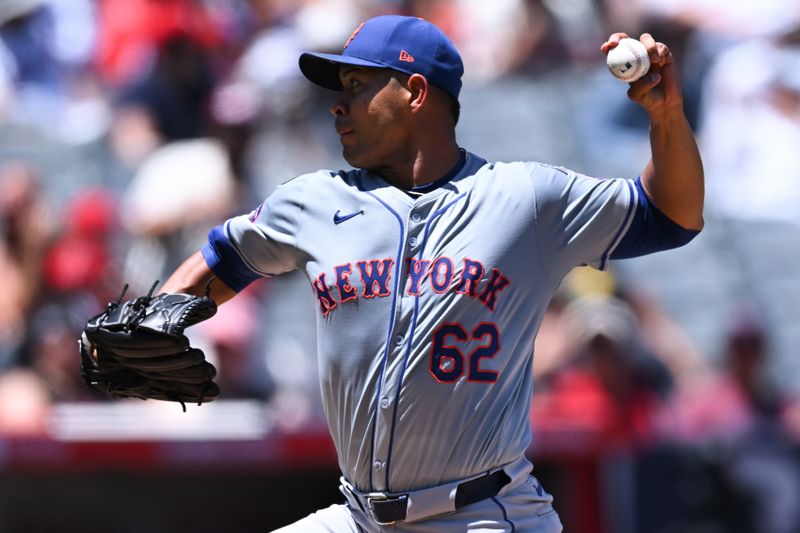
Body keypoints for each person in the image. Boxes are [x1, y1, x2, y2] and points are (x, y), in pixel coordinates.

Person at [159, 15, 704, 532]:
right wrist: (155, 318)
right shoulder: (314, 201)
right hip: (359, 516)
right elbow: (227, 255)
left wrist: (666, 117)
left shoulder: (524, 199)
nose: (338, 106)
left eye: (357, 86)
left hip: (482, 513)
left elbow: (671, 215)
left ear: (416, 94)